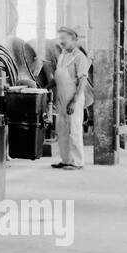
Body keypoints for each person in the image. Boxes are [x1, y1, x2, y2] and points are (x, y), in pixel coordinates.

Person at [52, 26, 91, 170]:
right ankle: (66, 160)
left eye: (64, 38)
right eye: (60, 38)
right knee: (62, 129)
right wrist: (46, 86)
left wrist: (74, 101)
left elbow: (82, 81)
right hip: (61, 98)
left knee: (74, 129)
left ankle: (78, 162)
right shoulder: (62, 55)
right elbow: (58, 76)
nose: (61, 41)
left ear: (74, 40)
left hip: (73, 97)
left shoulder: (79, 57)